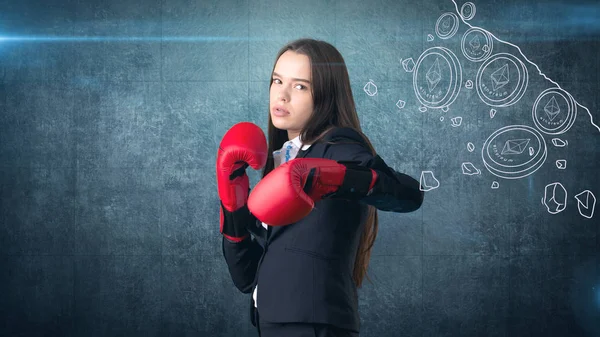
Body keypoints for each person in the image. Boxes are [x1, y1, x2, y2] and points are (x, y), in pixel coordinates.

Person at [216, 38, 424, 337]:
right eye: (277, 80)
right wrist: (233, 210)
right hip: (273, 321)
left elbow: (409, 195)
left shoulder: (339, 147)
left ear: (326, 96)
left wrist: (334, 177)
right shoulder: (283, 161)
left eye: (300, 86)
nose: (282, 95)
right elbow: (246, 278)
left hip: (314, 323)